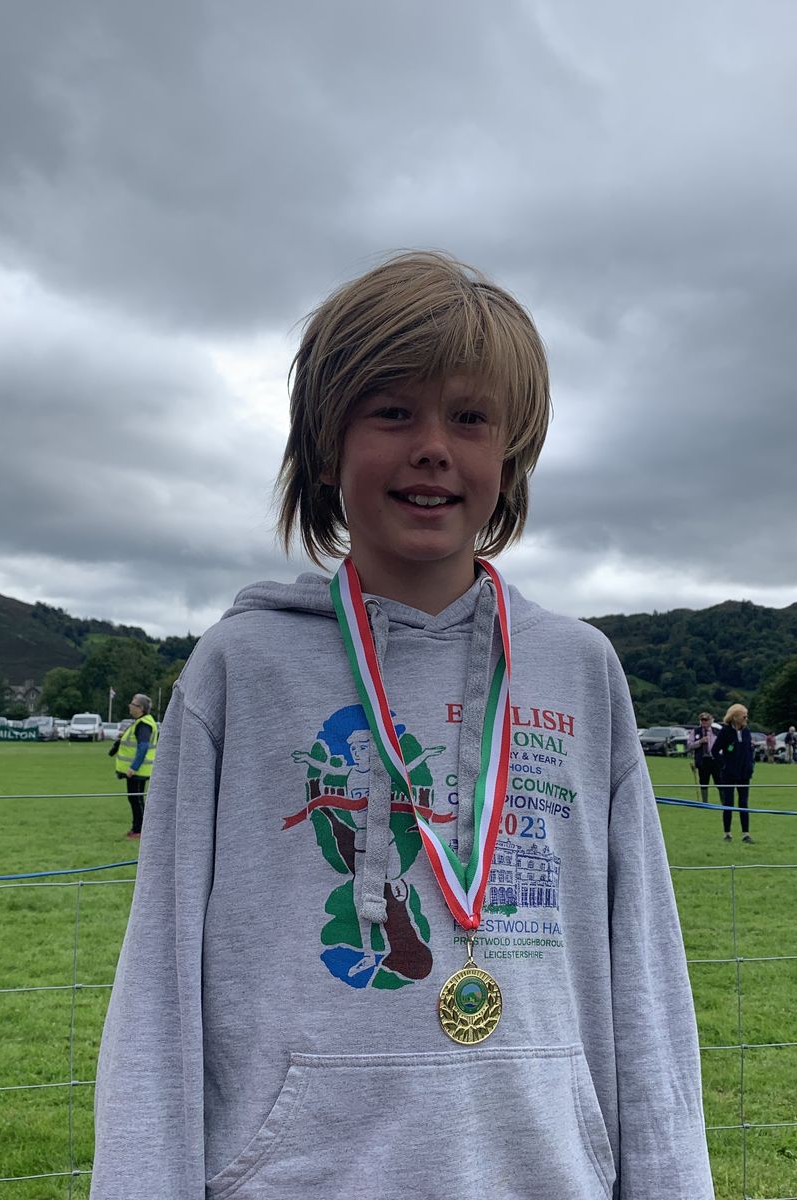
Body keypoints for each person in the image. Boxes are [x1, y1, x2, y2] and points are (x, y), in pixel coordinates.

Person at [90, 251, 713, 1198]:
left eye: (469, 417)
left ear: (510, 455)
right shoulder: (242, 668)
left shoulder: (580, 672)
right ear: (328, 445)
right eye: (393, 412)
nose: (433, 447)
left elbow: (649, 979)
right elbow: (161, 985)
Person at [107, 693, 158, 839]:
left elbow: (143, 747)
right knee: (134, 799)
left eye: (133, 704)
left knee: (136, 799)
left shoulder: (144, 724)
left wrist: (133, 767)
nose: (130, 706)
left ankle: (140, 831)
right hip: (136, 770)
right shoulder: (138, 722)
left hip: (138, 770)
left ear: (140, 708)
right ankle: (136, 828)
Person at [713, 703, 756, 843]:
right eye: (744, 716)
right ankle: (727, 833)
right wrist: (724, 765)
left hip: (744, 773)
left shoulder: (746, 731)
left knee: (743, 802)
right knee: (728, 802)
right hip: (729, 774)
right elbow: (715, 750)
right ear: (735, 717)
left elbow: (749, 750)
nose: (746, 718)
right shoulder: (725, 732)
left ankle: (745, 833)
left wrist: (750, 765)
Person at [690, 711, 719, 805]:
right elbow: (690, 745)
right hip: (702, 761)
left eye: (706, 720)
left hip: (715, 760)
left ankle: (724, 803)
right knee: (703, 782)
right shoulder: (695, 731)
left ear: (710, 720)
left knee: (719, 781)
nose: (704, 722)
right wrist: (700, 742)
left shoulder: (717, 731)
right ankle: (705, 802)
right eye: (702, 720)